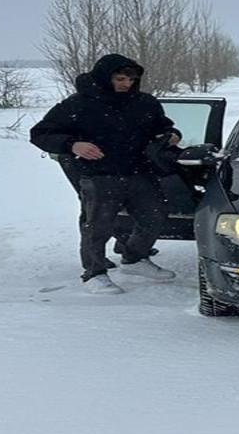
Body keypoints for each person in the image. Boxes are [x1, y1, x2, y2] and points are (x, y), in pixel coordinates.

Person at [29, 54, 181, 293]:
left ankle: (134, 259)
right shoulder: (78, 104)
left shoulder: (145, 103)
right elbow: (40, 133)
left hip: (139, 170)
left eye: (132, 79)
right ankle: (94, 273)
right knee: (98, 225)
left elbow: (164, 126)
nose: (126, 84)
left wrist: (172, 135)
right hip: (98, 174)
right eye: (120, 78)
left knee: (155, 215)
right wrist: (73, 145)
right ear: (104, 77)